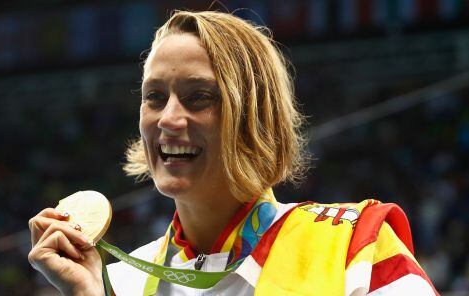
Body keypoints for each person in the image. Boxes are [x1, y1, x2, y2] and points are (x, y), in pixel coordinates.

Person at [28, 10, 438, 295]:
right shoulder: (119, 283)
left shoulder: (353, 249)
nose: (168, 118)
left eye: (199, 97)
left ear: (254, 114)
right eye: (154, 96)